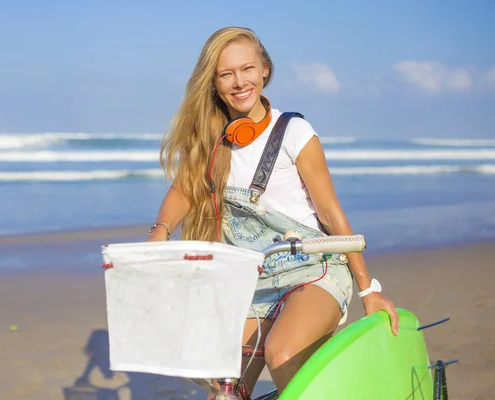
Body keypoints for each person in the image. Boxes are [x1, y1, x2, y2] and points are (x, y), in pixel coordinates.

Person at [147, 26, 399, 396]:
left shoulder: (295, 132)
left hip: (313, 271)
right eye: (226, 74)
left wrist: (369, 291)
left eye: (247, 69)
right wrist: (161, 229)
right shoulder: (211, 141)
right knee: (222, 386)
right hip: (252, 285)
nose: (239, 82)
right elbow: (183, 189)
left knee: (280, 351)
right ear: (213, 83)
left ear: (265, 69)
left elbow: (331, 215)